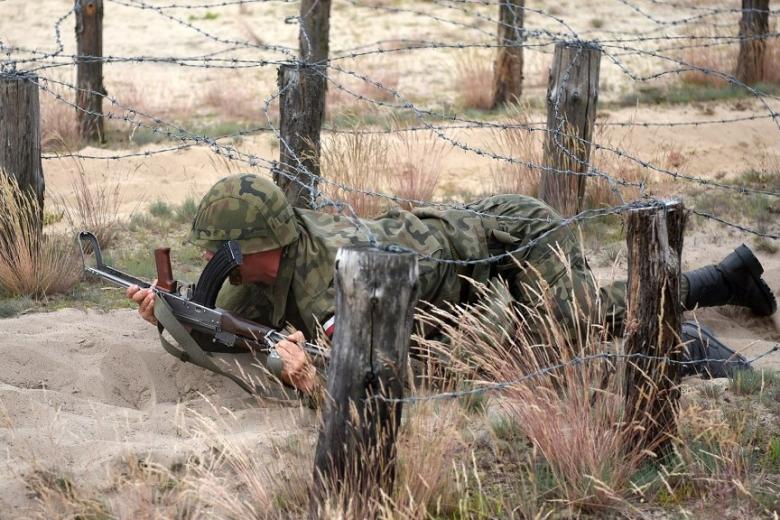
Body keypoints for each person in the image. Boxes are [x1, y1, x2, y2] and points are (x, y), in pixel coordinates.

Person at [127, 174, 777, 395]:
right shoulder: (265, 268)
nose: (216, 261)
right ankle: (727, 277)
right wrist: (168, 315)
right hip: (450, 276)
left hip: (509, 239)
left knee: (582, 322)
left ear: (260, 245)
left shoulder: (329, 275)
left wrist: (308, 374)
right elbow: (220, 334)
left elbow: (366, 382)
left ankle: (689, 333)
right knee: (579, 319)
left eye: (223, 251)